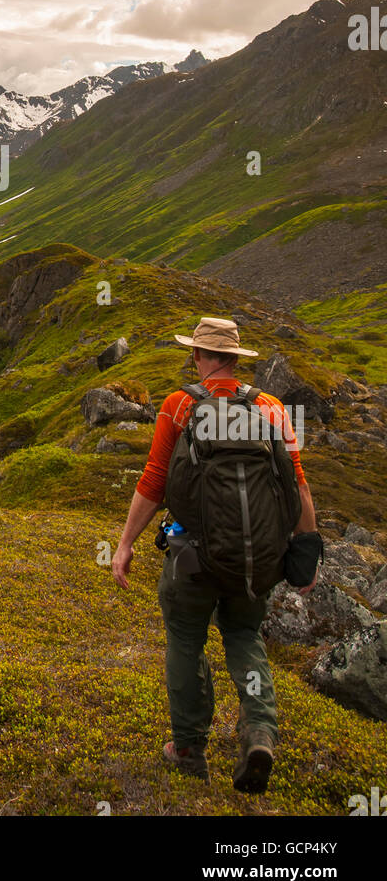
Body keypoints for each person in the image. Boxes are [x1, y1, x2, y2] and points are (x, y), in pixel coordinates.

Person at [110, 316, 319, 793]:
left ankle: (188, 750)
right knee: (243, 634)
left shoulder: (180, 405)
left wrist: (124, 545)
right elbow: (298, 486)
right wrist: (305, 550)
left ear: (200, 356)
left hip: (194, 558)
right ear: (236, 357)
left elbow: (154, 481)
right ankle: (259, 731)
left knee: (186, 640)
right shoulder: (271, 408)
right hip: (257, 560)